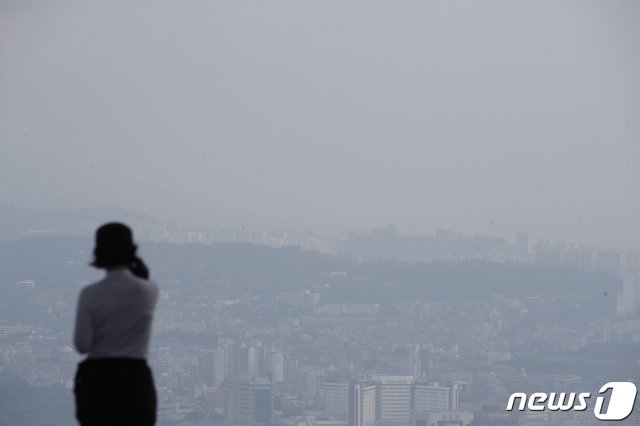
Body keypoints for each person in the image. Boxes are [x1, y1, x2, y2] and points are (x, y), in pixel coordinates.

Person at [73, 223, 159, 426]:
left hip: (99, 382)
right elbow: (142, 280)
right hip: (136, 381)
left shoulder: (90, 294)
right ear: (132, 250)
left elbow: (82, 345)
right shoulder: (149, 291)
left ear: (98, 252)